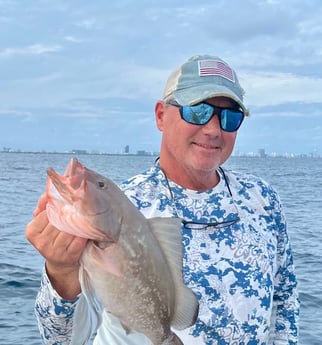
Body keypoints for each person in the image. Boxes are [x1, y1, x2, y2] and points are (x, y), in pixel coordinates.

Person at [25, 54, 299, 344]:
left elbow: (285, 300)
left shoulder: (262, 199)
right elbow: (62, 340)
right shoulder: (120, 207)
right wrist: (60, 272)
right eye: (197, 111)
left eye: (230, 118)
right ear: (160, 115)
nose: (213, 129)